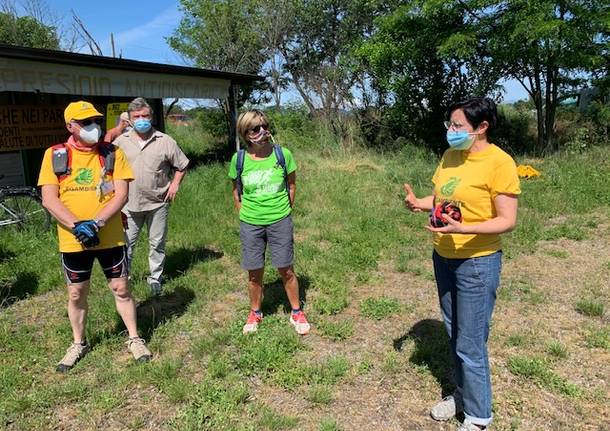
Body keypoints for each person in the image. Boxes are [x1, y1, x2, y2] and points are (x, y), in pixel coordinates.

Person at [404, 97, 520, 431]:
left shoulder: (500, 163)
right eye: (450, 125)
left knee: (471, 342)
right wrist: (419, 203)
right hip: (444, 257)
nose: (451, 131)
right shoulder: (451, 156)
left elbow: (507, 220)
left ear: (482, 127)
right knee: (455, 334)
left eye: (458, 126)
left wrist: (463, 228)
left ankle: (479, 416)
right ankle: (462, 395)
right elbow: (442, 201)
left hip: (477, 262)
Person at [38, 100, 152, 372]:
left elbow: (122, 194)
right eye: (85, 122)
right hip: (72, 240)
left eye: (95, 121)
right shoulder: (54, 155)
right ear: (70, 126)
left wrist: (97, 223)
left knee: (121, 288)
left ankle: (135, 338)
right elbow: (49, 199)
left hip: (110, 236)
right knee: (76, 293)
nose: (93, 126)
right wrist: (78, 226)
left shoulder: (113, 153)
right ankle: (79, 343)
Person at [228, 109, 310, 335]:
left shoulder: (283, 154)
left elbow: (291, 185)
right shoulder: (239, 159)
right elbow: (236, 192)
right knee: (254, 272)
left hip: (280, 220)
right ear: (246, 133)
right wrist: (245, 213)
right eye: (255, 128)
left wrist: (284, 211)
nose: (262, 131)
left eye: (265, 126)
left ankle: (296, 311)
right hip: (250, 223)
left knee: (286, 269)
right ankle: (255, 312)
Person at [113, 98, 189, 295]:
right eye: (137, 116)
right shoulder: (120, 142)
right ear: (129, 119)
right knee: (126, 245)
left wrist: (175, 184)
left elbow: (182, 165)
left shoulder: (165, 141)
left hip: (158, 203)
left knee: (157, 243)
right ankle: (124, 279)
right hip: (128, 205)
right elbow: (108, 168)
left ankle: (155, 278)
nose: (141, 120)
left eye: (145, 116)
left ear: (151, 117)